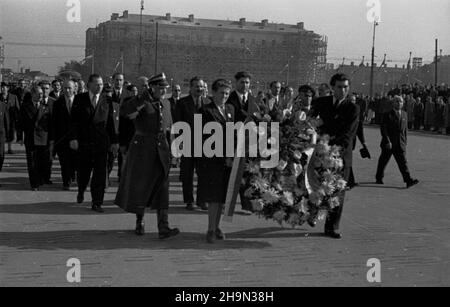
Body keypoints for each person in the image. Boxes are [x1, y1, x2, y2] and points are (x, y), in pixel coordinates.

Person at [115, 73, 180, 239]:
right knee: (141, 187)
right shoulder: (141, 102)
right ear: (152, 88)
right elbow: (125, 112)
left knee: (163, 188)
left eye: (165, 88)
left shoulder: (165, 103)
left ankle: (163, 227)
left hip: (162, 149)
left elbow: (169, 128)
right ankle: (140, 221)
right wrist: (142, 98)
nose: (164, 90)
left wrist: (174, 152)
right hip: (143, 150)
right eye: (161, 88)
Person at [310, 73, 360, 239]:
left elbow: (348, 134)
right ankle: (312, 213)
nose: (343, 90)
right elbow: (310, 121)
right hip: (319, 153)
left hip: (339, 156)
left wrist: (333, 147)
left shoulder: (353, 108)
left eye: (346, 87)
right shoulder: (321, 102)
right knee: (315, 184)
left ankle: (331, 226)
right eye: (339, 86)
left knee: (337, 191)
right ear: (332, 87)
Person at [69, 74, 119, 213]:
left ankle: (97, 202)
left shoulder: (107, 100)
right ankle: (81, 190)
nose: (100, 87)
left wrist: (114, 142)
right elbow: (73, 121)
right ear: (89, 84)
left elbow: (110, 123)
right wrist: (73, 138)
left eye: (101, 84)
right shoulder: (80, 99)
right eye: (97, 84)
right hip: (84, 142)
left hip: (100, 143)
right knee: (83, 172)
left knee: (100, 175)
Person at [197, 79, 235, 243]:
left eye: (227, 93)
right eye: (221, 93)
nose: (224, 96)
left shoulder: (230, 109)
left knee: (222, 198)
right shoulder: (205, 111)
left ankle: (217, 226)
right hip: (212, 160)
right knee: (213, 198)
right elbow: (204, 138)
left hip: (227, 160)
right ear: (213, 93)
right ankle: (210, 229)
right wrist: (222, 156)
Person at [226, 71, 260, 213]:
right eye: (242, 82)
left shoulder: (254, 100)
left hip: (250, 144)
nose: (244, 85)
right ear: (236, 83)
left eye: (247, 82)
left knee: (248, 174)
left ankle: (247, 204)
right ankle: (227, 204)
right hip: (233, 142)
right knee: (232, 175)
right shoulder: (229, 99)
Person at [175, 77, 208, 211]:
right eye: (196, 86)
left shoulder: (208, 102)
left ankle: (202, 200)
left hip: (205, 145)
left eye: (201, 87)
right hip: (188, 143)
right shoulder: (182, 103)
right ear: (190, 87)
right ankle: (189, 200)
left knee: (204, 174)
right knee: (187, 174)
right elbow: (178, 123)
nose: (199, 89)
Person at [375, 96, 419, 189]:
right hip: (389, 144)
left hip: (400, 143)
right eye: (397, 101)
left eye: (401, 102)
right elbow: (384, 129)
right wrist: (387, 141)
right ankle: (379, 177)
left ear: (403, 103)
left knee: (403, 162)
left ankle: (408, 180)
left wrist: (405, 142)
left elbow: (405, 130)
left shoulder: (404, 114)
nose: (399, 103)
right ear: (393, 103)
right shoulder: (387, 114)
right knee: (383, 161)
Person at [18, 85, 54, 191]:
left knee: (42, 161)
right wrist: (20, 137)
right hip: (31, 138)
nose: (41, 96)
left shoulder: (46, 106)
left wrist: (52, 138)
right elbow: (20, 123)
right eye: (39, 94)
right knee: (32, 162)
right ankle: (34, 183)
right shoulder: (25, 106)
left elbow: (51, 124)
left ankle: (41, 178)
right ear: (33, 94)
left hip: (44, 138)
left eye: (42, 94)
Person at [52, 80, 78, 190]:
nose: (67, 90)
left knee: (75, 160)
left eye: (70, 88)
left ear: (74, 89)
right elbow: (54, 122)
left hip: (77, 138)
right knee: (64, 161)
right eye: (65, 88)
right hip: (62, 138)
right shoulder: (58, 103)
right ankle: (66, 182)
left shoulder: (80, 101)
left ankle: (73, 176)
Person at [347, 94, 371, 189]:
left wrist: (364, 143)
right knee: (346, 161)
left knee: (347, 161)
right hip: (343, 141)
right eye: (350, 100)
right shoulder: (343, 112)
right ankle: (350, 181)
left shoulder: (357, 114)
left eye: (354, 100)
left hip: (352, 142)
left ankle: (350, 181)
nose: (352, 102)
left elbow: (359, 130)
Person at [0, 82, 20, 156]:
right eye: (1, 87)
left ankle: (9, 148)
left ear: (7, 88)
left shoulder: (13, 97)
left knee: (10, 133)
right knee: (2, 133)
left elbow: (17, 108)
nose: (2, 89)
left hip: (11, 118)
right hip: (1, 119)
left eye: (4, 87)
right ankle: (2, 149)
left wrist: (17, 118)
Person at [0, 89, 10, 187]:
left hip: (1, 136)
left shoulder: (3, 105)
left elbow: (7, 121)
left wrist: (8, 134)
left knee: (1, 156)